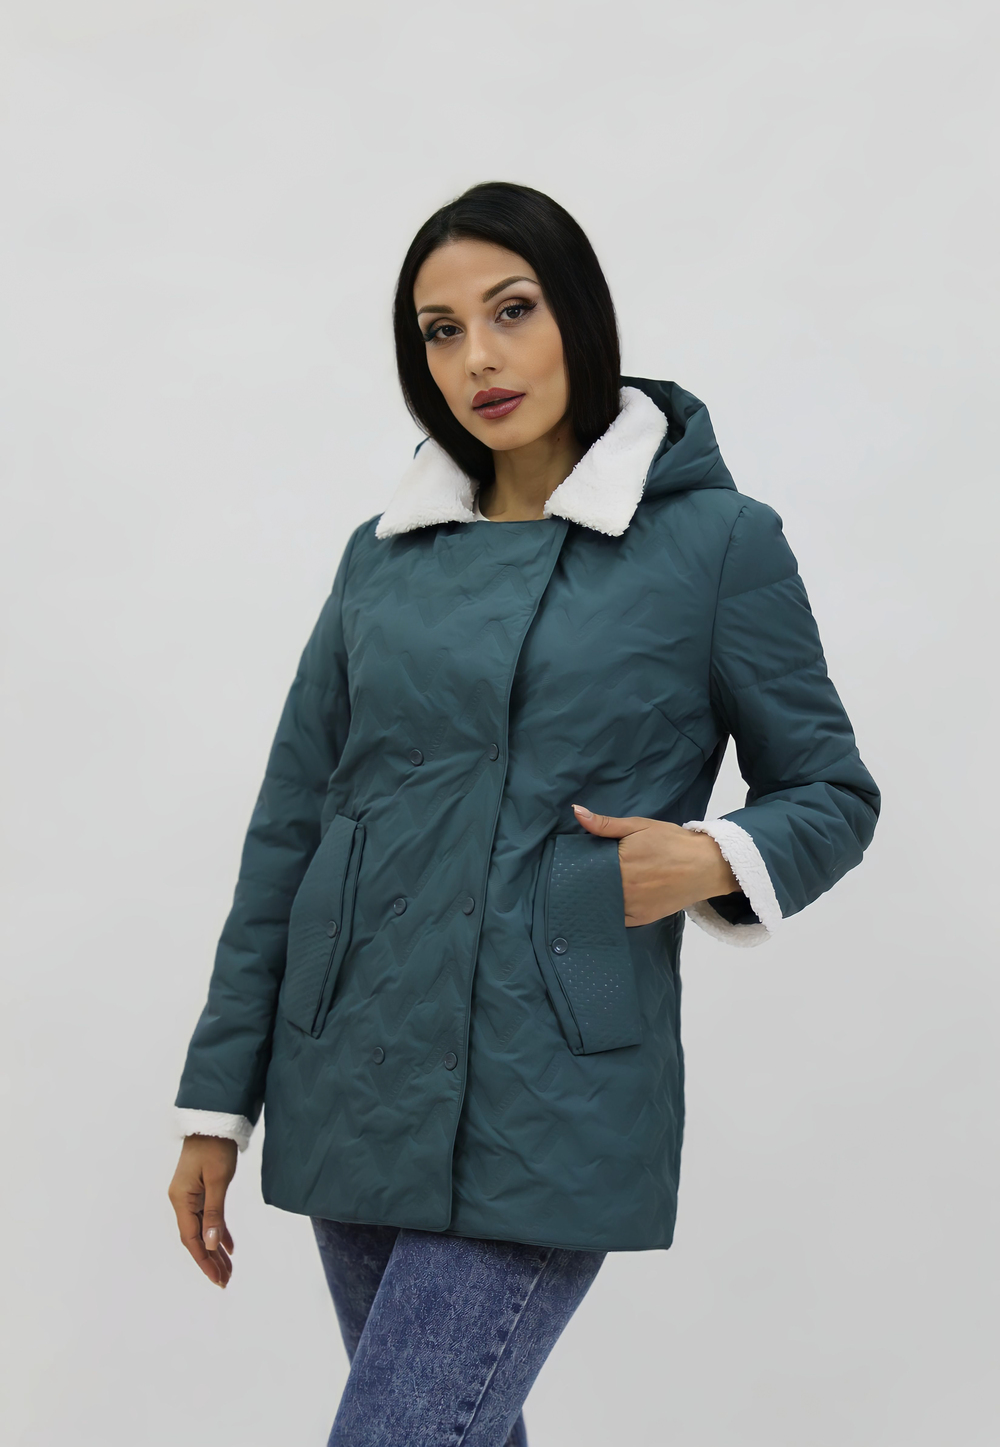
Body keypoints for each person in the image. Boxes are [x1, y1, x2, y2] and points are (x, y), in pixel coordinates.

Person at [168, 182, 880, 1445]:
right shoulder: (380, 556)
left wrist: (711, 856)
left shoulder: (717, 544)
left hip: (550, 1091)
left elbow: (832, 791)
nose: (478, 359)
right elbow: (292, 826)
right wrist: (217, 1104)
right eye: (441, 331)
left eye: (512, 311)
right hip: (353, 1076)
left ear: (580, 317)